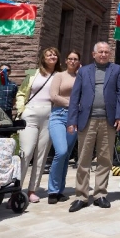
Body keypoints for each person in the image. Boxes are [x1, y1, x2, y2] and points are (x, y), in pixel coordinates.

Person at [67, 42, 120, 212]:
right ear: (94, 54)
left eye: (106, 52)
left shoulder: (116, 70)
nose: (104, 54)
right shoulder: (83, 71)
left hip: (108, 120)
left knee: (105, 159)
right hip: (87, 120)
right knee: (83, 159)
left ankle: (100, 194)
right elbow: (75, 96)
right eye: (100, 52)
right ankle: (81, 196)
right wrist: (71, 120)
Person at [15, 47, 59, 203]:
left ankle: (32, 189)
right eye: (49, 55)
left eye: (54, 54)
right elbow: (21, 93)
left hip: (50, 114)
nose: (52, 56)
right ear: (43, 58)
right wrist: (21, 109)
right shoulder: (33, 74)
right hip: (31, 113)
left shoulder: (60, 75)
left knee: (42, 154)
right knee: (26, 152)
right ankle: (16, 189)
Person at [46, 51, 80, 204]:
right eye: (70, 59)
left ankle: (60, 190)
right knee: (61, 151)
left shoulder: (81, 77)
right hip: (58, 115)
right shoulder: (59, 76)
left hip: (74, 118)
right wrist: (73, 104)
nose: (72, 61)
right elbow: (54, 96)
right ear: (66, 61)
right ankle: (52, 190)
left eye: (75, 59)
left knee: (66, 155)